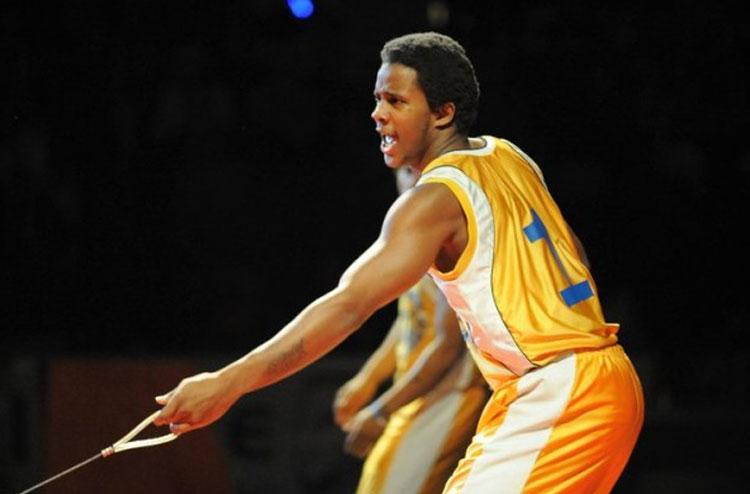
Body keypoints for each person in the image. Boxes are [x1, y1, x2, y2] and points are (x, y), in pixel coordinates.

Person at [155, 32, 644, 494]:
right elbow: (575, 254)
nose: (377, 114)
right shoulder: (509, 156)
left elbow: (348, 305)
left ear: (444, 113)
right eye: (377, 99)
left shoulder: (433, 200)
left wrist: (228, 382)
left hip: (559, 390)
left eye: (395, 101)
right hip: (597, 378)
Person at [333, 166, 488, 494]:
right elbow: (410, 321)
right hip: (412, 397)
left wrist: (380, 410)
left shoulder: (455, 242)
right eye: (406, 170)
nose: (414, 178)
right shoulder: (417, 242)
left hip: (447, 399)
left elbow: (447, 347)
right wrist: (369, 377)